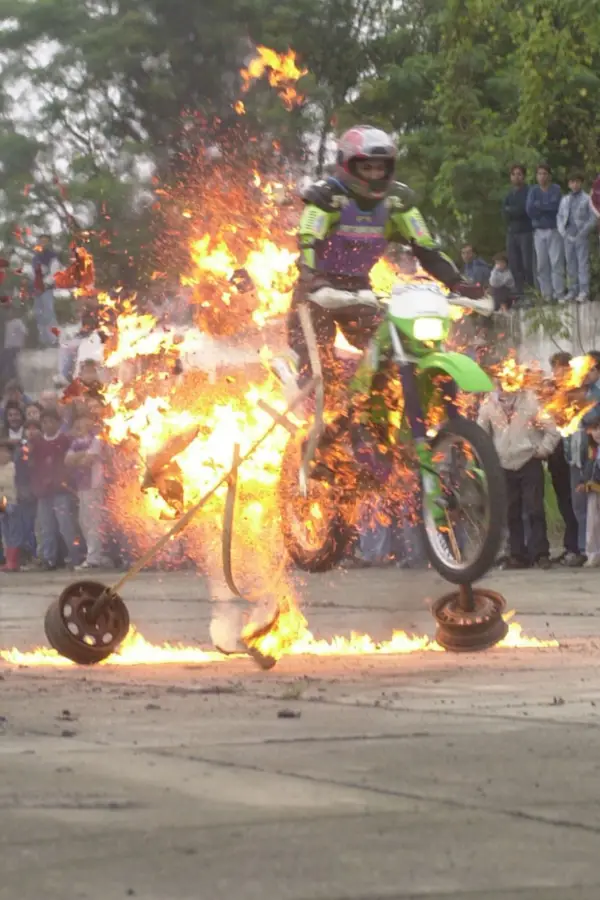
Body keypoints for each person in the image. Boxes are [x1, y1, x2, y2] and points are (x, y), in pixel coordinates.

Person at [280, 125, 485, 508]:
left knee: (393, 358)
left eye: (381, 167)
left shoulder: (398, 202)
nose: (374, 175)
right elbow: (307, 239)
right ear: (347, 165)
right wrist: (313, 278)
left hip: (360, 292)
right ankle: (316, 448)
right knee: (321, 377)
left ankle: (372, 433)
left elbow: (425, 246)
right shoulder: (326, 197)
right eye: (366, 167)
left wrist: (458, 282)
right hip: (317, 295)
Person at [477, 379, 560, 569]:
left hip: (529, 461)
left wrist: (542, 450)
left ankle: (540, 554)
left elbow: (552, 430)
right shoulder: (488, 404)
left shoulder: (530, 401)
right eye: (498, 382)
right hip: (503, 465)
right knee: (510, 511)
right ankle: (517, 555)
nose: (502, 386)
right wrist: (489, 458)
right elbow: (481, 434)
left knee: (534, 509)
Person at [28, 407, 84, 570]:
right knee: (46, 527)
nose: (47, 425)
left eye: (51, 421)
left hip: (61, 491)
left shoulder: (65, 440)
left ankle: (75, 556)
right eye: (44, 422)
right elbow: (30, 463)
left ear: (58, 423)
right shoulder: (37, 443)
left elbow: (68, 465)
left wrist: (61, 479)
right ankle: (49, 558)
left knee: (66, 525)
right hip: (43, 492)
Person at [547, 352, 585, 566]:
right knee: (563, 499)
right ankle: (570, 545)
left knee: (575, 500)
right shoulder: (552, 391)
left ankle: (579, 546)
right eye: (554, 368)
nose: (556, 372)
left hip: (573, 451)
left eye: (559, 367)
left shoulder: (575, 390)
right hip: (556, 452)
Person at [65, 409, 110, 569]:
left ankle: (94, 558)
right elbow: (67, 461)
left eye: (85, 421)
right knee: (83, 521)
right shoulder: (76, 442)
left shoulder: (97, 440)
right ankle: (93, 554)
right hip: (81, 486)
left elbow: (87, 461)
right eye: (78, 422)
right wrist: (81, 456)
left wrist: (79, 457)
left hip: (94, 484)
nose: (81, 425)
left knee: (94, 521)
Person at [526, 163, 565, 303]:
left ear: (549, 176)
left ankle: (559, 293)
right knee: (542, 265)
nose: (542, 176)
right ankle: (546, 295)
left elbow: (556, 208)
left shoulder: (556, 189)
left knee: (556, 262)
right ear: (536, 176)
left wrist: (540, 207)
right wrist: (544, 209)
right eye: (539, 174)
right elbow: (530, 210)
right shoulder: (533, 191)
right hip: (538, 230)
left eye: (544, 173)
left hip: (553, 229)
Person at [557, 172, 597, 303]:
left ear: (581, 183)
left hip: (581, 235)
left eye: (577, 182)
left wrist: (583, 232)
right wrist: (563, 232)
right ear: (569, 184)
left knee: (582, 263)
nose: (575, 184)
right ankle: (572, 290)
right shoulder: (565, 199)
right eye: (572, 182)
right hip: (568, 236)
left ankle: (584, 291)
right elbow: (560, 217)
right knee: (570, 264)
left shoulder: (587, 199)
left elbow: (593, 218)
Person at [502, 164, 534, 299]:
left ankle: (531, 290)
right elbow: (504, 212)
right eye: (514, 174)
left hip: (525, 231)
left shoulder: (529, 192)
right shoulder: (509, 194)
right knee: (514, 263)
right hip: (512, 232)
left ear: (524, 176)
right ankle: (519, 291)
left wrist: (512, 210)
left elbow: (524, 210)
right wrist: (511, 211)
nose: (516, 177)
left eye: (519, 174)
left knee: (527, 263)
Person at [29, 234, 61, 346]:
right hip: (36, 290)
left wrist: (45, 284)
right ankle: (43, 340)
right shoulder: (35, 257)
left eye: (45, 241)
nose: (43, 243)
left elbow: (54, 273)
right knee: (39, 314)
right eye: (41, 241)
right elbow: (32, 273)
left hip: (46, 289)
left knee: (49, 313)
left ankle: (53, 339)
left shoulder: (52, 256)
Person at [577, 411, 600, 567]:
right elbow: (587, 468)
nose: (597, 433)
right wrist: (584, 482)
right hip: (594, 492)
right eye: (594, 429)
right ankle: (593, 554)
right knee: (592, 523)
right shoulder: (592, 450)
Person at [0, 441, 21, 572]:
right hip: (1, 502)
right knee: (5, 533)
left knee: (14, 532)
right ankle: (8, 561)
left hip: (12, 501)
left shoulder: (13, 467)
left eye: (5, 451)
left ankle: (14, 562)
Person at [1, 311, 28, 389]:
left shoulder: (18, 322)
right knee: (5, 360)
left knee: (11, 360)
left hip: (15, 346)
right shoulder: (7, 323)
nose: (9, 314)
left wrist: (23, 344)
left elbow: (25, 332)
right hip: (7, 347)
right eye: (8, 313)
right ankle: (9, 376)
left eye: (11, 313)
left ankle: (13, 377)